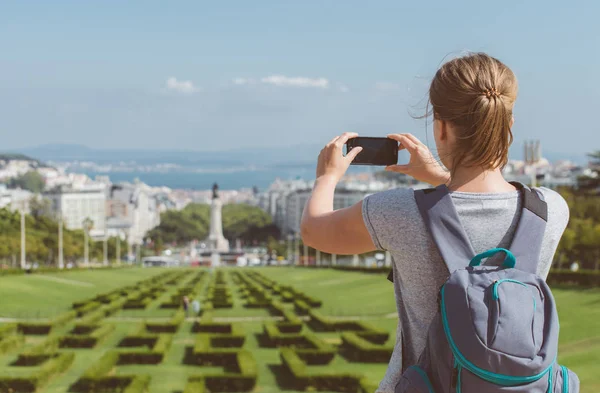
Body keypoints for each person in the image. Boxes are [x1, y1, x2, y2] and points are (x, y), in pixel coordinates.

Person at [300, 52, 569, 392]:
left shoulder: (399, 211)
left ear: (440, 128)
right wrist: (440, 176)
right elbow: (481, 196)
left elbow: (314, 230)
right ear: (508, 123)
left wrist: (327, 176)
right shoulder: (550, 209)